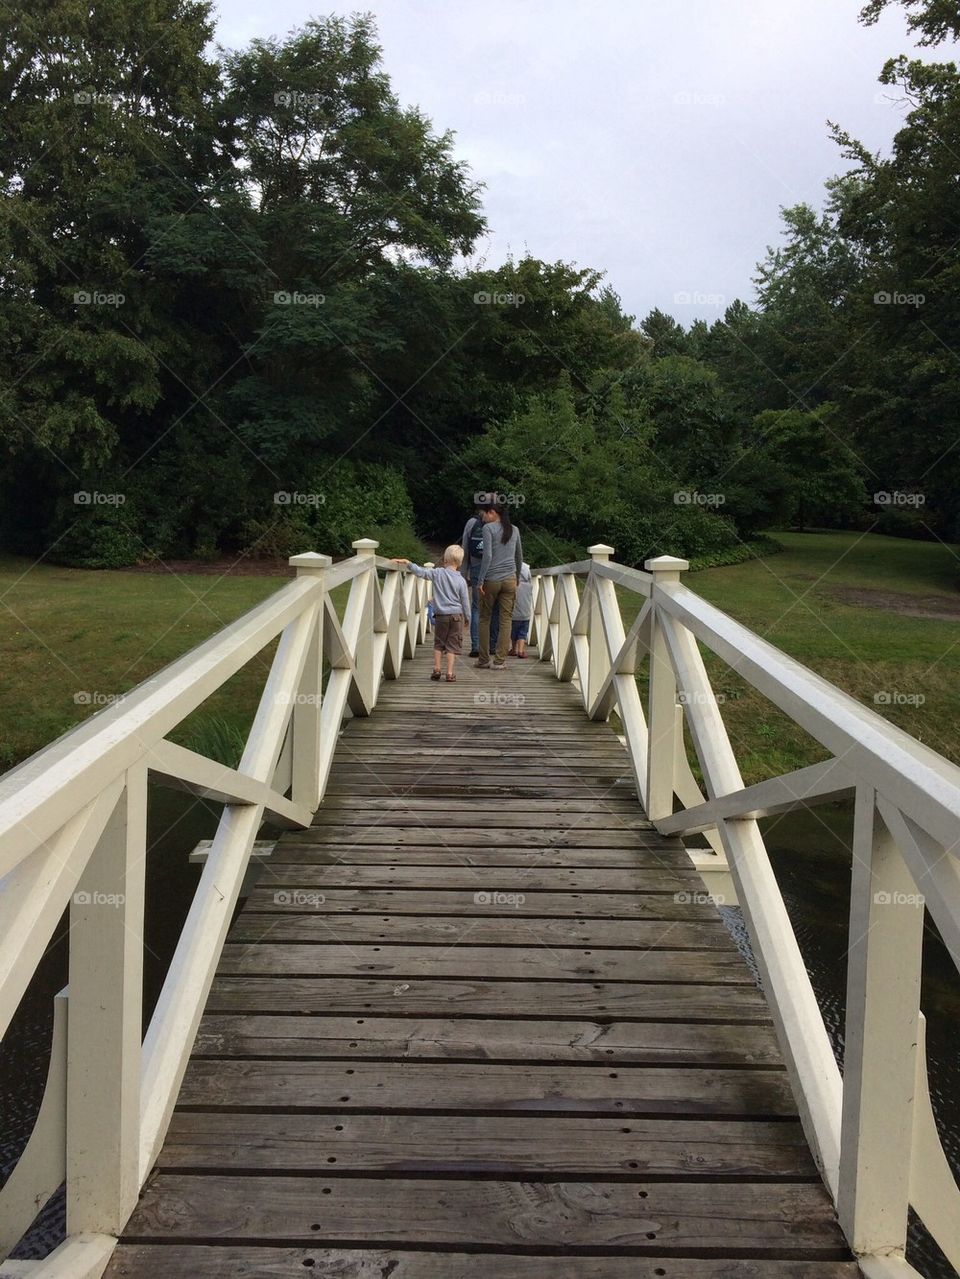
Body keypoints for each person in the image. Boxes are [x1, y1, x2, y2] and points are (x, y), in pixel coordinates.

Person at [392, 545, 471, 682]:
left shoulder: (437, 573)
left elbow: (422, 572)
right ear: (460, 563)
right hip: (456, 616)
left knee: (438, 643)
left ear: (445, 560)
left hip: (441, 616)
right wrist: (467, 618)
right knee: (452, 645)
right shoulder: (461, 581)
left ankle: (437, 669)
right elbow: (465, 601)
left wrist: (409, 563)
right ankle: (450, 673)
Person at [475, 500, 523, 670]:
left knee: (484, 618)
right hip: (510, 579)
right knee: (506, 619)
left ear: (493, 513)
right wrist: (517, 577)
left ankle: (483, 659)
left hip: (492, 579)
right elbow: (519, 557)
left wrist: (480, 580)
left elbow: (487, 556)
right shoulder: (515, 529)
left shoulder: (488, 529)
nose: (483, 517)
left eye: (485, 513)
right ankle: (500, 661)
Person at [460, 505, 485, 657]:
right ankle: (492, 645)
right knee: (493, 608)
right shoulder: (500, 522)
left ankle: (476, 646)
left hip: (476, 568)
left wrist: (463, 573)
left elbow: (465, 549)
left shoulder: (471, 523)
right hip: (495, 571)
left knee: (476, 607)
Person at [509, 561, 533, 657]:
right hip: (526, 615)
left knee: (513, 633)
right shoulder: (529, 586)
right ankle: (521, 650)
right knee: (522, 633)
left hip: (514, 615)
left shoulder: (513, 586)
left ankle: (513, 649)